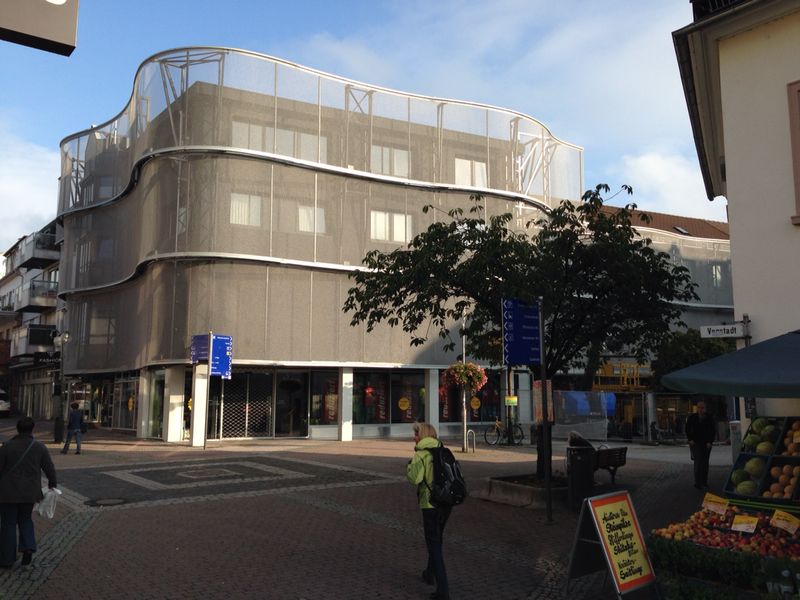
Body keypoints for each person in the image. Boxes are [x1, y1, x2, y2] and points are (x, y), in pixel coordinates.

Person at [0, 417, 58, 567]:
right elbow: (49, 468)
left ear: (17, 429)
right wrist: (52, 483)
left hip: (7, 492)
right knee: (25, 519)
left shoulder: (6, 447)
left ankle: (7, 559)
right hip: (30, 492)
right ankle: (28, 547)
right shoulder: (39, 447)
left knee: (8, 523)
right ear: (32, 429)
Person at [407, 422, 450, 600]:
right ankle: (429, 573)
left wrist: (410, 466)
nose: (414, 437)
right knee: (437, 539)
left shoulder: (421, 454)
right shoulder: (443, 450)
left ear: (422, 435)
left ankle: (443, 590)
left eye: (416, 434)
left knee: (433, 544)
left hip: (430, 503)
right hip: (446, 503)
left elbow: (414, 479)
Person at [686, 401, 716, 489]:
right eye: (699, 407)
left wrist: (710, 441)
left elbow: (712, 430)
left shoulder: (709, 418)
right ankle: (698, 482)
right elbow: (687, 428)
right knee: (698, 462)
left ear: (705, 408)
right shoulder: (692, 417)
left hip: (706, 443)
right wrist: (690, 439)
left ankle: (704, 481)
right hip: (695, 443)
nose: (700, 409)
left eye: (702, 408)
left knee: (705, 463)